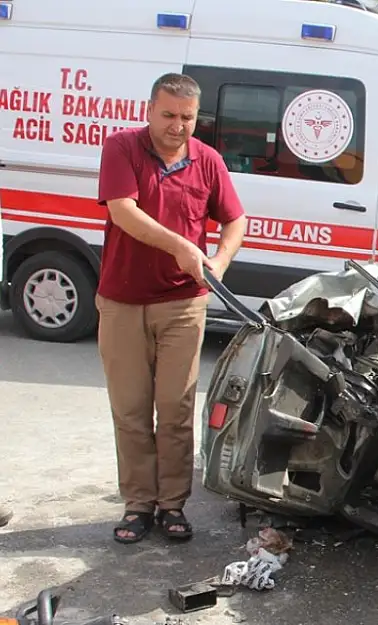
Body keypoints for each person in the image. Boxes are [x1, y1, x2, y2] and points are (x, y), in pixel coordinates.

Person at [97, 73, 247, 544]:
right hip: (122, 302)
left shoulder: (208, 161)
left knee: (176, 409)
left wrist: (219, 260)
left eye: (187, 117)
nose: (178, 126)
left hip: (183, 304)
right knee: (131, 410)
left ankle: (172, 506)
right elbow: (122, 210)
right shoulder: (121, 148)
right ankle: (138, 504)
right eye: (169, 115)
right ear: (149, 110)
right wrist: (182, 244)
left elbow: (236, 218)